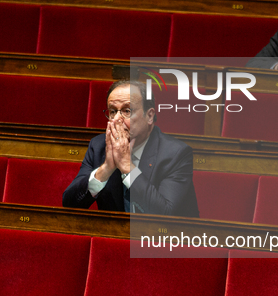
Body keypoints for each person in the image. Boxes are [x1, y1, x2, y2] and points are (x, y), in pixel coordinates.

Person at [63, 80, 199, 217]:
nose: (116, 119)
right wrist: (105, 169)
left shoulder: (175, 153)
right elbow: (69, 204)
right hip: (115, 236)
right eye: (112, 111)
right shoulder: (99, 146)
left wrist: (127, 167)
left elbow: (163, 214)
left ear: (149, 116)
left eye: (127, 111)